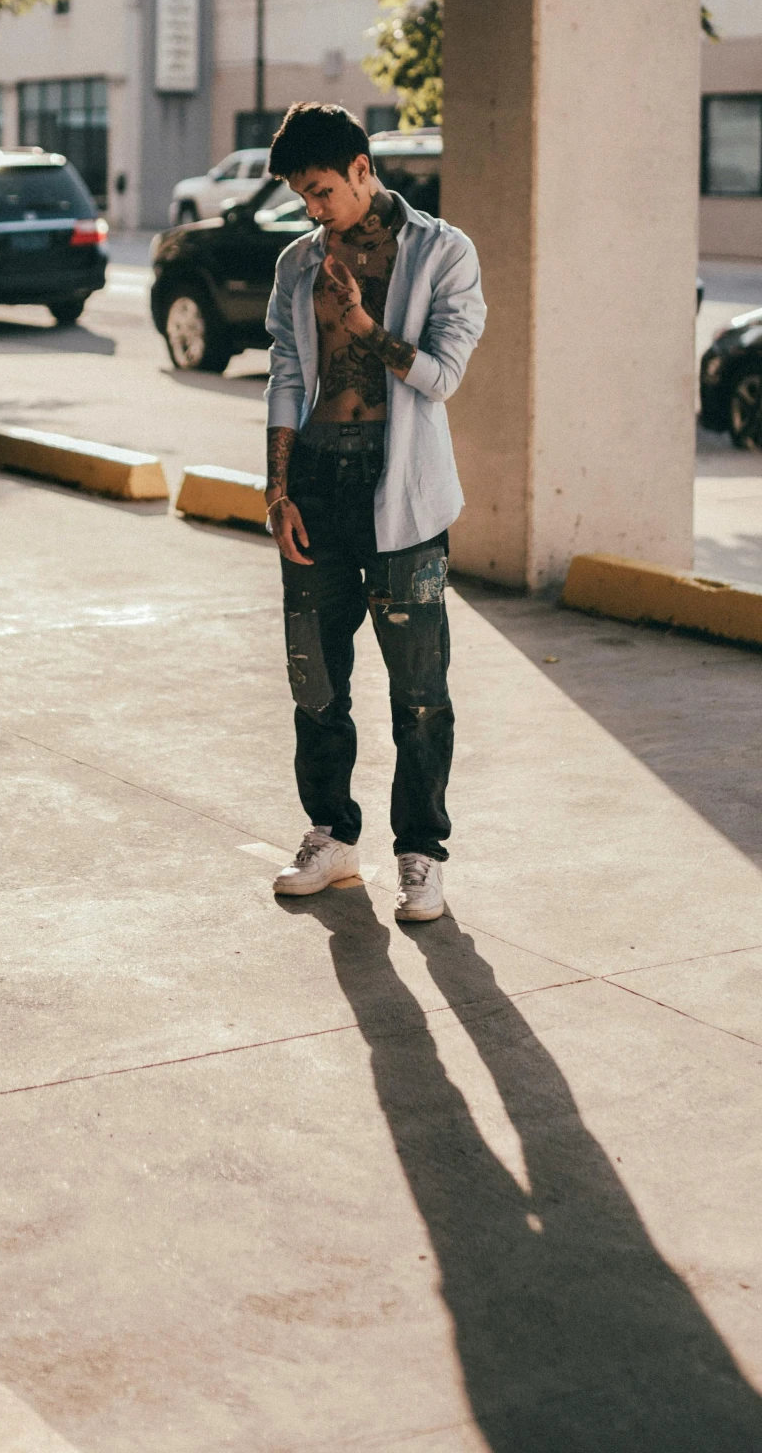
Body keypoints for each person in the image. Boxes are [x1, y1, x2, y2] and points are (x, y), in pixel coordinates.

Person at [262, 104, 485, 923]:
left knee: (419, 691)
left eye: (322, 190)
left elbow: (443, 375)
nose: (313, 209)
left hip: (406, 495)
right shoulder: (297, 264)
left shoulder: (440, 252)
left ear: (362, 167)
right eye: (301, 197)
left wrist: (365, 324)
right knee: (314, 682)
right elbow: (287, 373)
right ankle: (331, 836)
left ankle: (420, 854)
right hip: (316, 483)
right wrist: (277, 489)